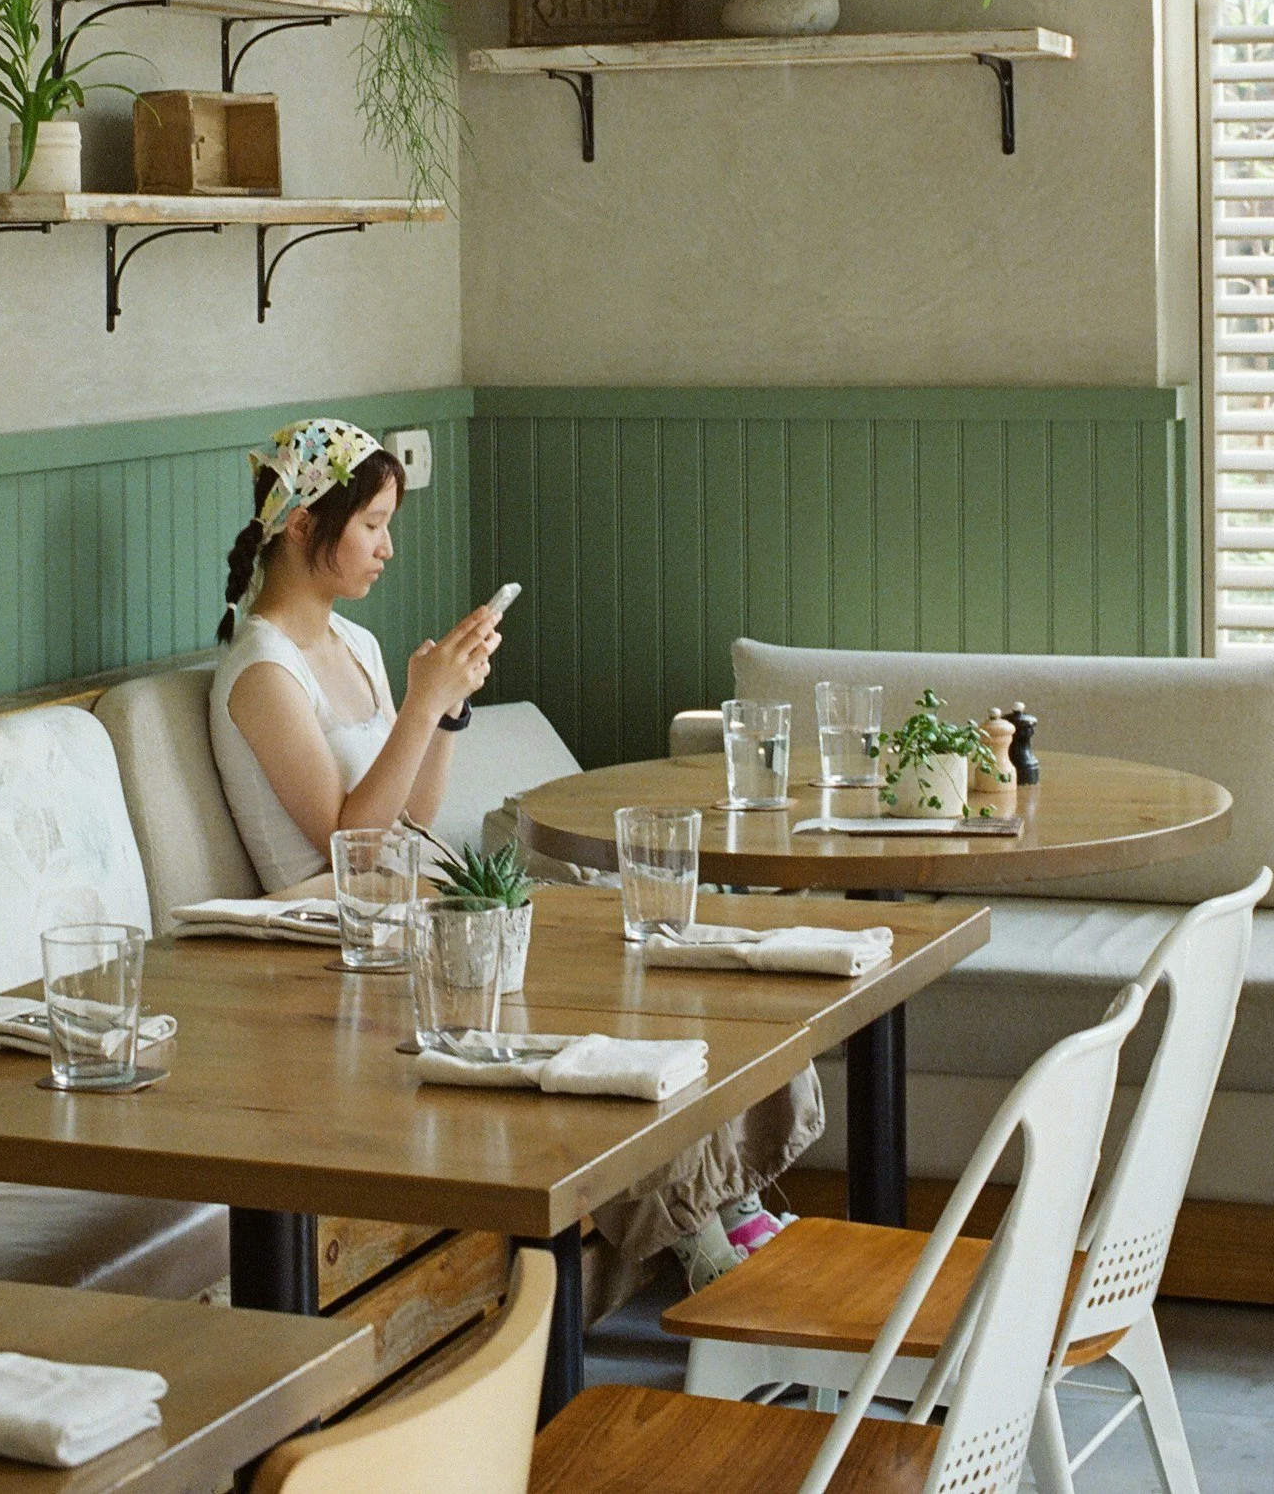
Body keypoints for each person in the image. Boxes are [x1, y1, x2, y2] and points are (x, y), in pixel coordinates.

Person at [210, 417, 821, 1286]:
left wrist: (447, 708)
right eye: (374, 524)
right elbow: (353, 846)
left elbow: (415, 817)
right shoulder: (262, 672)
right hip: (349, 939)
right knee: (611, 970)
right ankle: (699, 1234)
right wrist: (422, 706)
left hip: (421, 903)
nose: (387, 547)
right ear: (307, 524)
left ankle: (728, 1198)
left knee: (657, 944)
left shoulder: (355, 645)